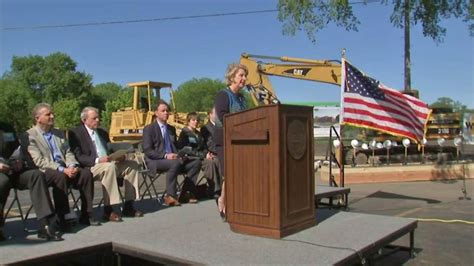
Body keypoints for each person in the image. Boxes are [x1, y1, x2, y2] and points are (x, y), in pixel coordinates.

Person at [25, 103, 98, 228]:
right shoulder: (30, 135)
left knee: (85, 173)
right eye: (48, 114)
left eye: (52, 113)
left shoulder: (59, 133)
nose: (52, 116)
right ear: (38, 118)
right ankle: (62, 216)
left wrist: (72, 165)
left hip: (65, 167)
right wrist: (62, 169)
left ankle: (87, 214)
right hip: (47, 170)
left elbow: (68, 152)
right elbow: (39, 161)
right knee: (60, 176)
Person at [68, 107, 143, 222]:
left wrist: (118, 156)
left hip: (108, 162)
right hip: (91, 166)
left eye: (98, 118)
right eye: (94, 118)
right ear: (84, 120)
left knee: (132, 165)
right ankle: (108, 210)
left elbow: (109, 150)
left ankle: (129, 205)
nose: (98, 120)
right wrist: (98, 160)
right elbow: (78, 156)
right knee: (110, 167)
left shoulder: (102, 132)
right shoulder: (76, 133)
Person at [143, 100, 202, 206]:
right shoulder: (149, 129)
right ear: (156, 113)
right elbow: (148, 151)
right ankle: (170, 196)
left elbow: (175, 147)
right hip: (156, 160)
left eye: (167, 111)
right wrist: (165, 155)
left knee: (196, 163)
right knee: (175, 163)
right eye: (163, 111)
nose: (166, 113)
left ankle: (185, 194)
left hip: (174, 159)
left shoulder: (171, 129)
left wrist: (182, 153)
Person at [0, 150, 64, 241]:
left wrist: (21, 162)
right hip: (1, 173)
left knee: (36, 175)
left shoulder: (13, 135)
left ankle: (45, 225)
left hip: (13, 170)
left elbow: (19, 152)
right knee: (2, 182)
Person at [214, 63, 249, 218]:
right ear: (232, 76)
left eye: (245, 75)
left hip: (240, 140)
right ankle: (223, 201)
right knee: (229, 173)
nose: (244, 78)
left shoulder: (242, 98)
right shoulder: (223, 94)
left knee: (239, 172)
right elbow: (223, 115)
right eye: (241, 75)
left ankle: (230, 202)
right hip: (225, 140)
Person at [177, 112, 222, 197]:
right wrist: (204, 156)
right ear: (188, 121)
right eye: (193, 120)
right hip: (191, 158)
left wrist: (207, 154)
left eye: (197, 120)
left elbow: (204, 147)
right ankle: (215, 190)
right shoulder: (185, 133)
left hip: (200, 156)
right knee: (209, 163)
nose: (195, 122)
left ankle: (220, 188)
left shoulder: (198, 134)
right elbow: (188, 150)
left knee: (216, 160)